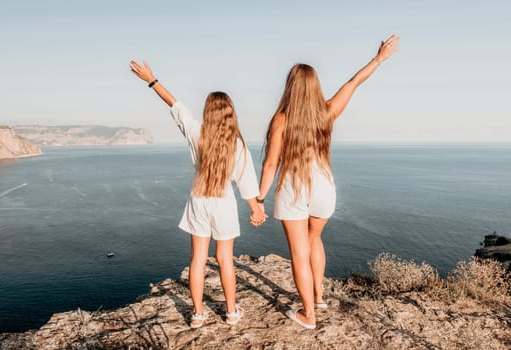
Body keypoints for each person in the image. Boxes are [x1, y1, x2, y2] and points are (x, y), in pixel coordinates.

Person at [257, 35, 399, 329]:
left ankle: (308, 314)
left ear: (291, 86)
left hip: (294, 189)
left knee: (298, 252)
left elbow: (271, 163)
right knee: (314, 239)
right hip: (324, 188)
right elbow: (354, 82)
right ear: (314, 86)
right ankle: (319, 297)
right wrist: (379, 59)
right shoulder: (328, 112)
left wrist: (258, 199)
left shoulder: (282, 120)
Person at [130, 60, 266, 328]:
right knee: (225, 259)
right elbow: (246, 181)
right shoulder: (237, 143)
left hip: (199, 200)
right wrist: (256, 209)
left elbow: (176, 106)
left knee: (198, 259)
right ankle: (231, 312)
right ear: (230, 114)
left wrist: (152, 80)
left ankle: (198, 314)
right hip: (223, 202)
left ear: (208, 112)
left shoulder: (197, 133)